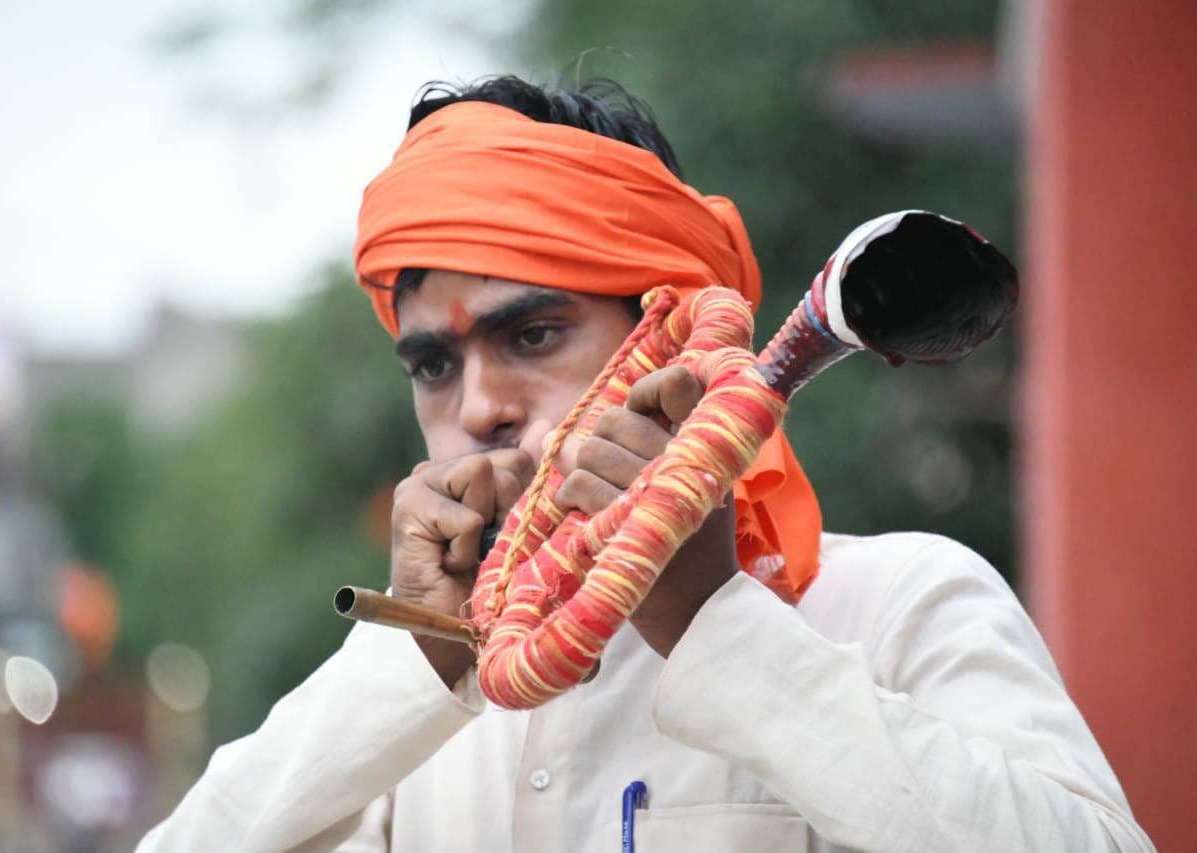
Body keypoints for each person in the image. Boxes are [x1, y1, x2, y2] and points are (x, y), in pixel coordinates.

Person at [138, 76, 1153, 852]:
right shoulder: (422, 701)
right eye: (435, 364)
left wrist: (712, 622)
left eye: (532, 336)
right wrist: (415, 662)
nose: (479, 406)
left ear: (664, 342)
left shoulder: (893, 603)